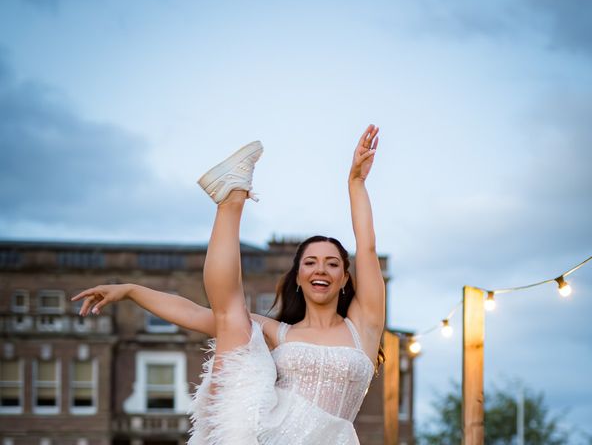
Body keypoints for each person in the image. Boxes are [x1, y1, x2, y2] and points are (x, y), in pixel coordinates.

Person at [72, 125, 386, 444]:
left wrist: (356, 182)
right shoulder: (279, 333)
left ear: (345, 278)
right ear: (298, 279)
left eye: (332, 263)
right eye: (310, 262)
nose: (322, 269)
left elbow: (368, 246)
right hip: (262, 433)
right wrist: (131, 290)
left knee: (234, 319)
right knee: (234, 321)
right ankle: (231, 199)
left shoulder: (363, 328)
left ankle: (230, 195)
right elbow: (195, 314)